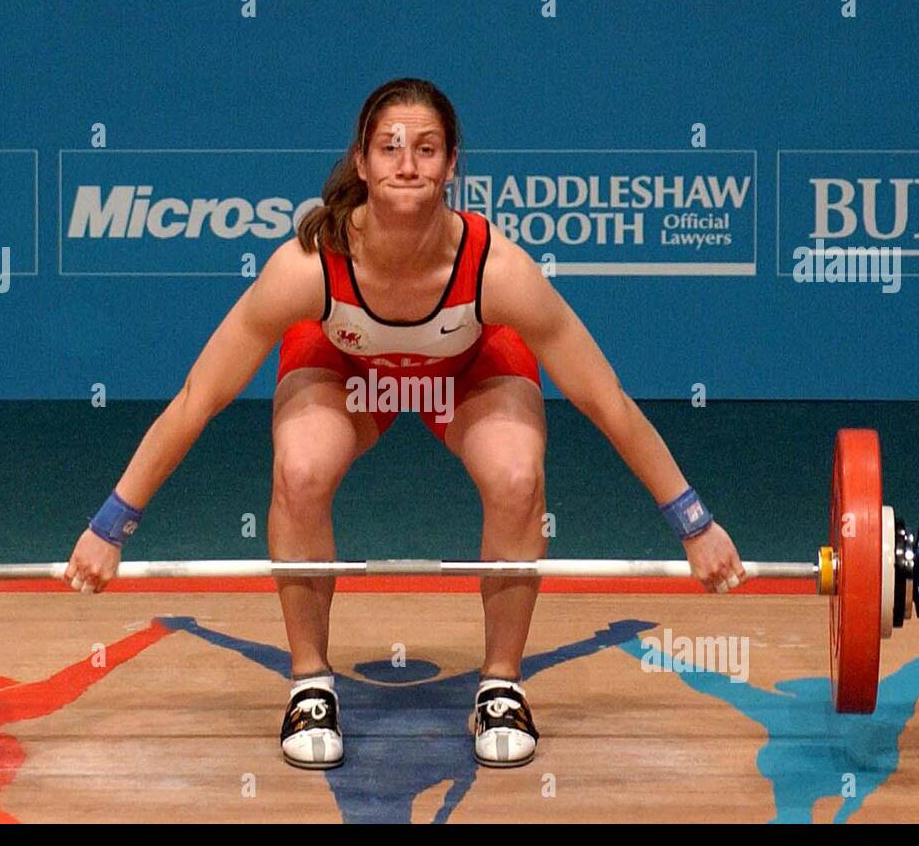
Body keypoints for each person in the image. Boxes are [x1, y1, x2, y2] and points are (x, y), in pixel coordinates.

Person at [64, 77, 747, 771]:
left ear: (452, 164)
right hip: (346, 367)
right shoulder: (307, 267)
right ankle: (310, 684)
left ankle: (501, 685)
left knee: (516, 474)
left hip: (465, 368)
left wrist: (693, 521)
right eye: (389, 148)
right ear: (361, 162)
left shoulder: (499, 270)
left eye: (426, 148)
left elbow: (608, 400)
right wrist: (110, 524)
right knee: (299, 469)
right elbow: (196, 398)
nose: (408, 164)